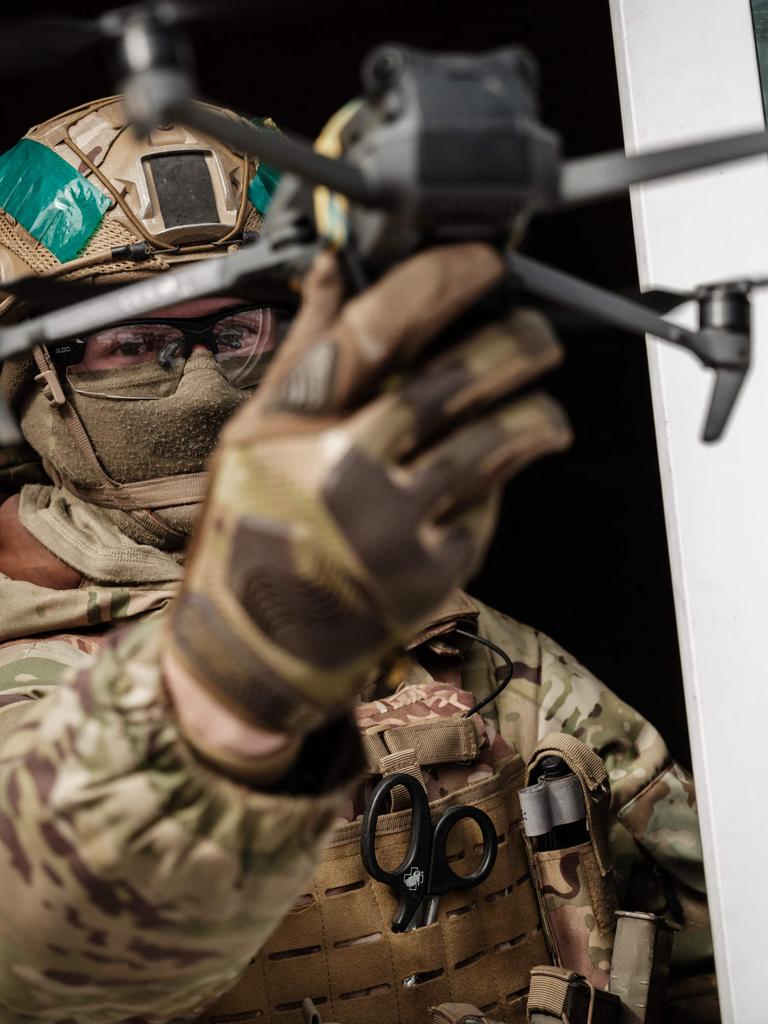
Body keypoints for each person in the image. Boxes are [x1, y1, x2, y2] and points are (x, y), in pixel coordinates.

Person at [0, 96, 717, 1023]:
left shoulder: (451, 639)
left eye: (240, 334)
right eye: (137, 343)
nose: (208, 384)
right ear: (36, 379)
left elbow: (713, 922)